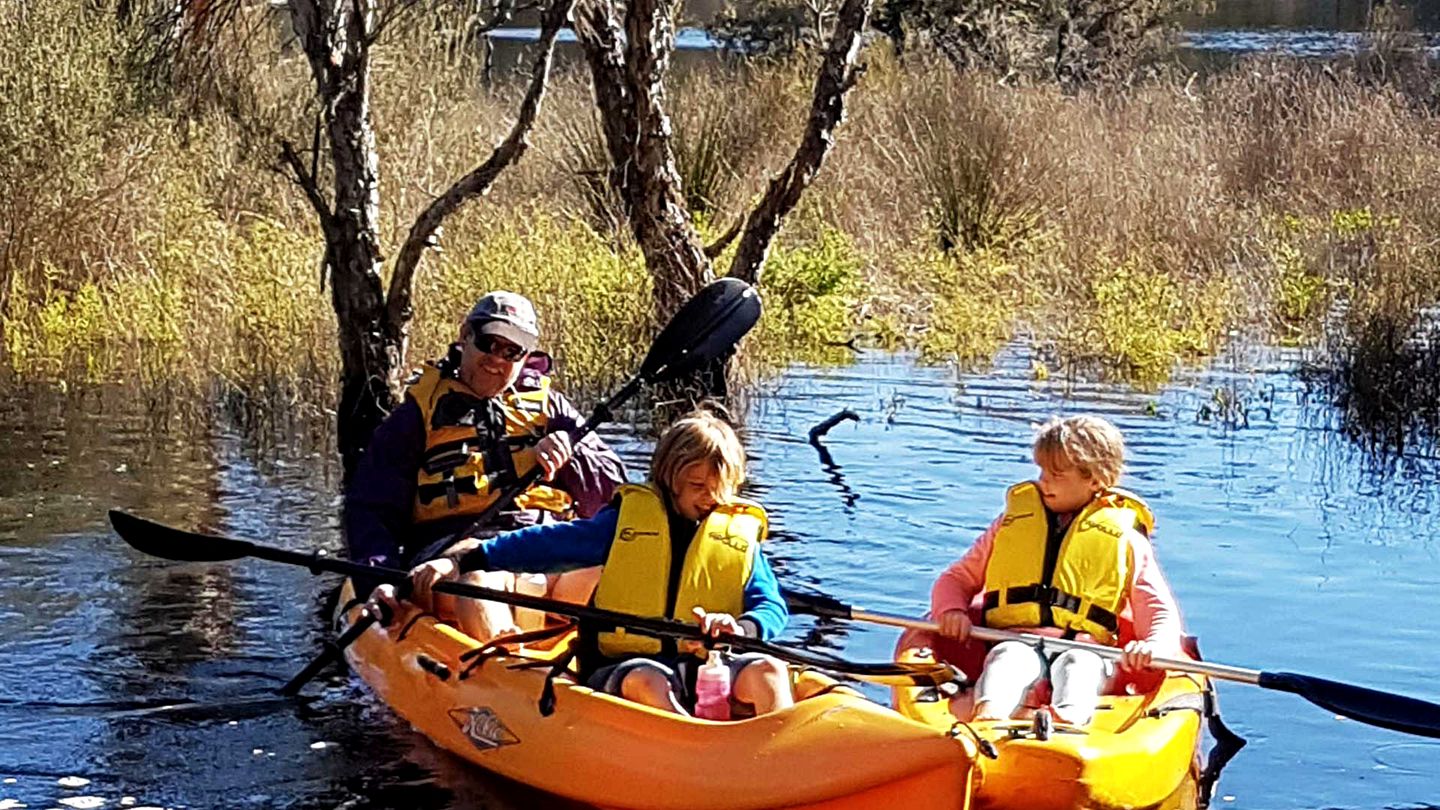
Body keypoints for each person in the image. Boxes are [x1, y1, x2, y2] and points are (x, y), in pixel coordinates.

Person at [407, 409, 794, 717]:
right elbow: (545, 546)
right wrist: (468, 558)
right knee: (648, 681)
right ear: (668, 478)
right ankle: (697, 754)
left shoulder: (736, 536)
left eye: (720, 489)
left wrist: (742, 626)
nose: (710, 498)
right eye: (697, 486)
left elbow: (771, 605)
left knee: (770, 672)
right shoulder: (622, 525)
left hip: (705, 663)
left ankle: (783, 760)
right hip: (625, 664)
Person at [344, 291, 626, 640]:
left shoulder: (551, 408)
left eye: (512, 352)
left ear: (526, 359)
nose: (497, 359)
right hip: (455, 551)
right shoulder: (417, 415)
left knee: (610, 572)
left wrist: (574, 451)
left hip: (541, 543)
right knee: (478, 583)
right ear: (465, 336)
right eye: (489, 343)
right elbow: (371, 508)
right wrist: (378, 579)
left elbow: (611, 495)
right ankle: (506, 672)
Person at [930, 415, 1183, 726]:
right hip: (1016, 638)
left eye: (1056, 474)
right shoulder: (1010, 525)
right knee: (1009, 659)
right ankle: (987, 721)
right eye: (1042, 471)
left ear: (1095, 479)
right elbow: (956, 579)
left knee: (1078, 666)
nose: (1043, 481)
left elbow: (1157, 608)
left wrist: (1153, 645)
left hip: (1086, 647)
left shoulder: (1126, 538)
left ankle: (1065, 725)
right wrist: (951, 610)